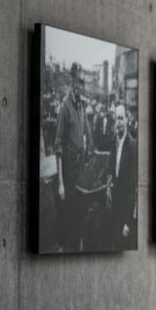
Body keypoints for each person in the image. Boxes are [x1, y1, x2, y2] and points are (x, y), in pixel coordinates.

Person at [54, 72, 88, 250]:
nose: (79, 87)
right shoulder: (65, 107)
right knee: (66, 216)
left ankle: (75, 247)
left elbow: (84, 135)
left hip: (79, 172)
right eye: (76, 84)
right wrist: (60, 183)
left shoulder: (81, 106)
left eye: (81, 84)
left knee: (78, 214)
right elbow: (58, 146)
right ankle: (64, 250)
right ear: (71, 84)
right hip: (67, 173)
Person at [107, 103, 135, 249]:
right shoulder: (113, 142)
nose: (118, 122)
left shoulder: (132, 146)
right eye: (116, 119)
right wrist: (109, 188)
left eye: (121, 118)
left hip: (125, 208)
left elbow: (132, 188)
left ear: (126, 120)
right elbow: (111, 170)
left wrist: (128, 221)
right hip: (115, 205)